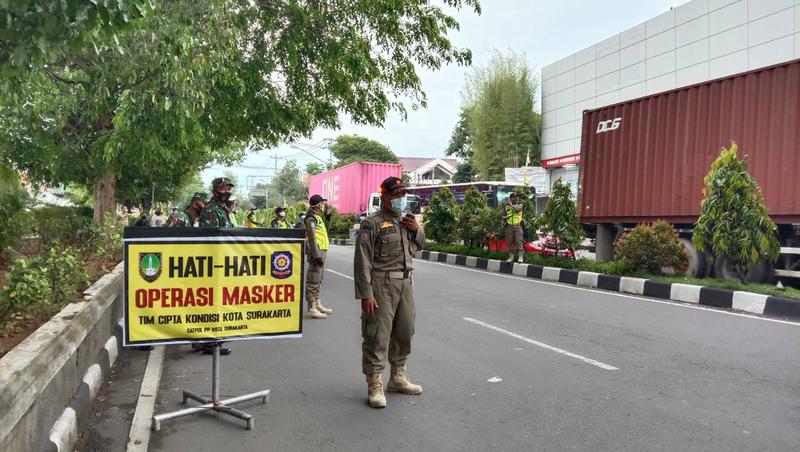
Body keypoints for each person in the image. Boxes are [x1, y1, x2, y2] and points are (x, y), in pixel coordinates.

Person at [353, 176, 425, 409]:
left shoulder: (407, 221)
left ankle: (397, 377)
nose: (399, 199)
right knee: (378, 335)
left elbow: (419, 245)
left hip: (406, 283)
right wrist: (366, 293)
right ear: (384, 196)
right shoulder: (371, 224)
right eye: (395, 195)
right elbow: (362, 261)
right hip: (382, 285)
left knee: (404, 332)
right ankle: (375, 383)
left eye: (402, 195)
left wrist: (417, 230)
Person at [198, 177, 237, 355]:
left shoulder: (222, 209)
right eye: (222, 188)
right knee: (212, 303)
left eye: (228, 188)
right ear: (215, 190)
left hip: (223, 262)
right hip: (215, 263)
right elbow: (213, 240)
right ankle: (210, 342)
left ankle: (205, 340)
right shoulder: (211, 210)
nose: (226, 191)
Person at [304, 194, 333, 319]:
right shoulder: (310, 218)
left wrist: (327, 218)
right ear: (317, 205)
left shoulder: (317, 217)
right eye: (322, 203)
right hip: (317, 252)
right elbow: (311, 238)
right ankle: (312, 307)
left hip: (322, 250)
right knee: (313, 280)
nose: (323, 205)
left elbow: (323, 232)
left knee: (319, 280)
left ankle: (317, 304)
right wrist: (316, 256)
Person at [503, 192, 524, 263]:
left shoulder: (520, 205)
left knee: (519, 241)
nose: (516, 198)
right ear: (511, 198)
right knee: (510, 242)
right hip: (509, 226)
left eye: (516, 197)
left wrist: (511, 204)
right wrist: (504, 218)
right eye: (514, 197)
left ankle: (520, 257)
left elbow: (517, 210)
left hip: (517, 226)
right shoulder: (506, 207)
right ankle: (511, 257)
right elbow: (503, 215)